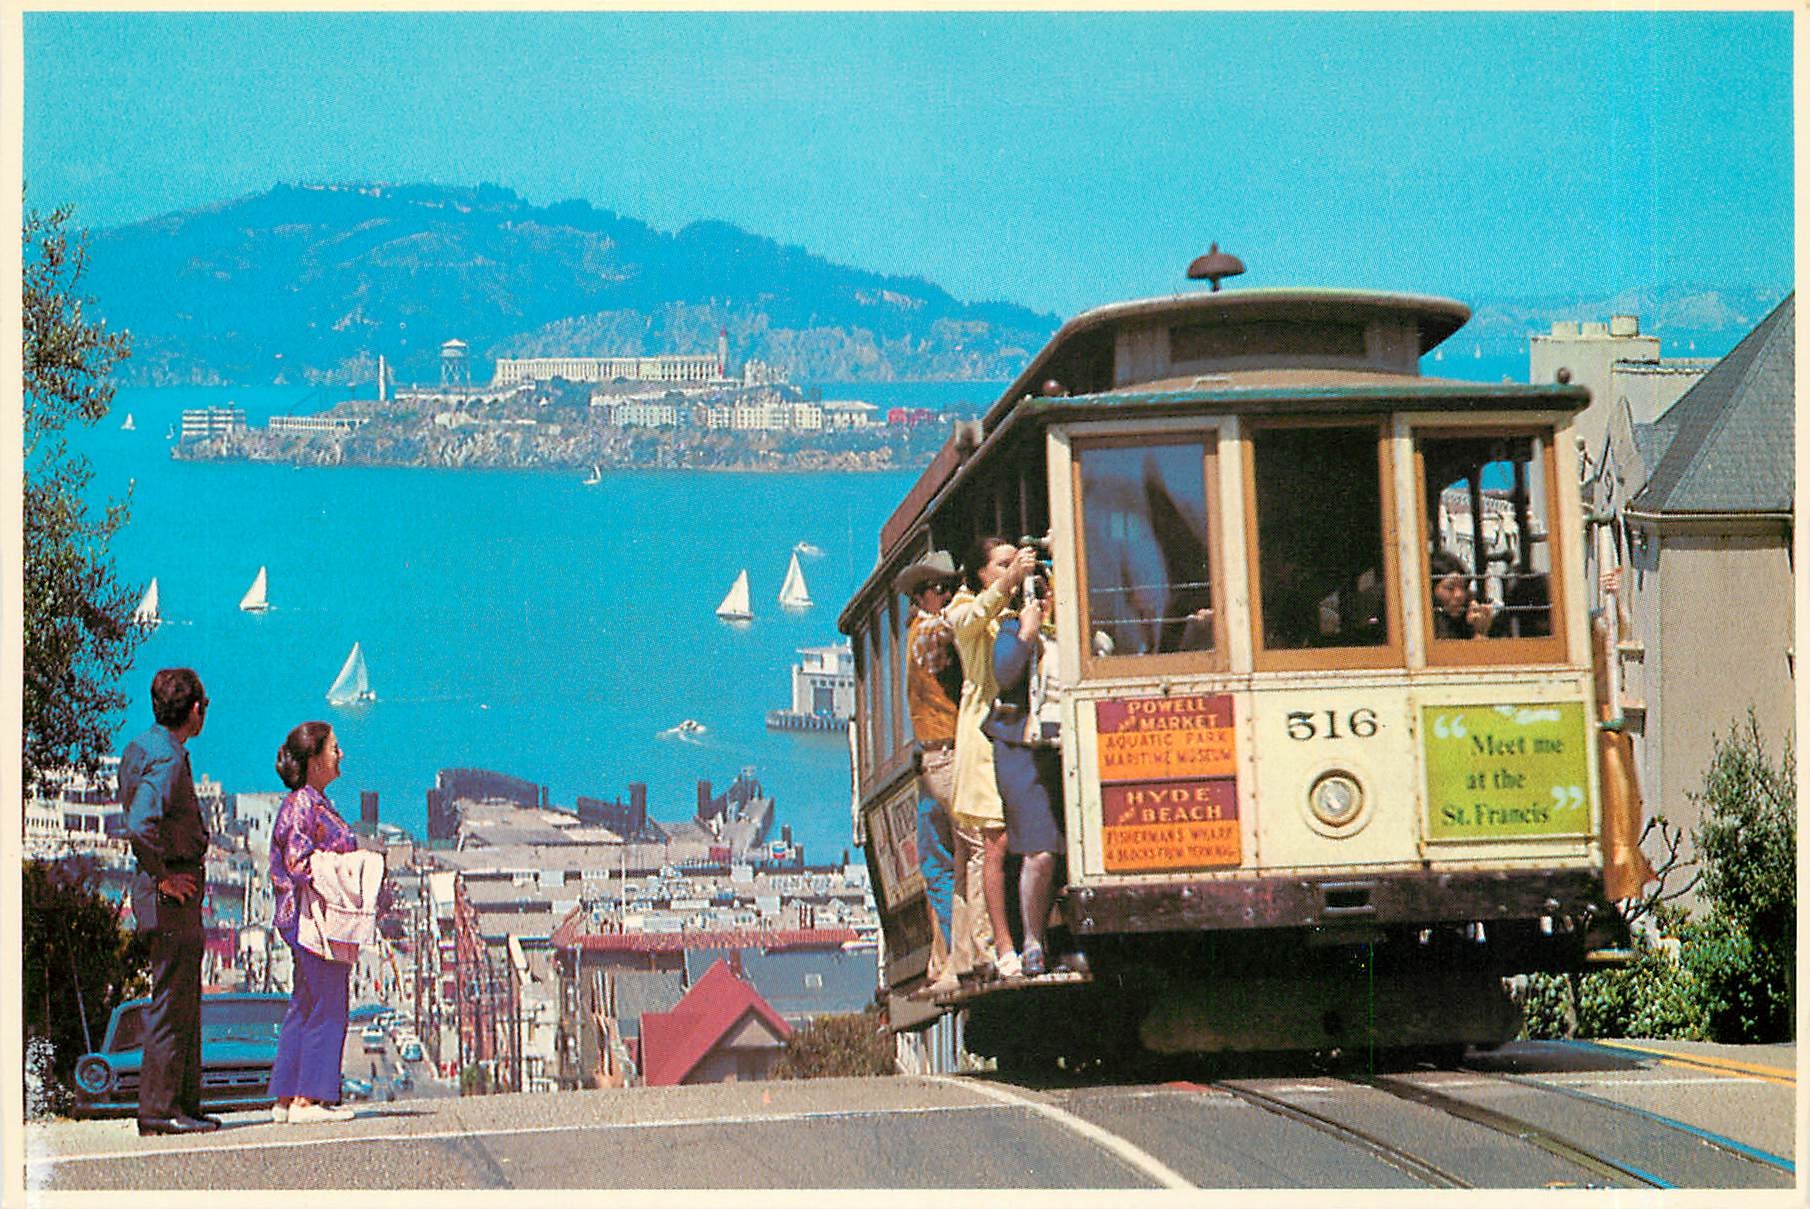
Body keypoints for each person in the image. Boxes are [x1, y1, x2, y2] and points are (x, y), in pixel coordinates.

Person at [119, 668, 219, 1136]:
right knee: (172, 1004)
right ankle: (160, 1110)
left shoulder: (143, 747)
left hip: (162, 893)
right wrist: (163, 876)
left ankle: (183, 1105)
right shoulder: (167, 759)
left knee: (180, 1001)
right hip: (170, 895)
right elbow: (142, 823)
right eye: (205, 705)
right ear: (195, 709)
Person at [895, 549, 989, 996]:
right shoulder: (928, 632)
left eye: (952, 586)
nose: (948, 594)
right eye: (940, 588)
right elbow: (944, 635)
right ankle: (969, 953)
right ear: (920, 596)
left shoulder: (920, 629)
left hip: (936, 756)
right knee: (968, 853)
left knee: (949, 859)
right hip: (948, 755)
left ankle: (956, 958)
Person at [948, 535, 1038, 979]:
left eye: (1012, 563)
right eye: (1001, 565)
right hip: (984, 741)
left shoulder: (1020, 606)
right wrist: (1011, 583)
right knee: (995, 842)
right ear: (981, 573)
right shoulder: (964, 608)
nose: (1010, 571)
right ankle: (1002, 946)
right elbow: (971, 619)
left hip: (1021, 734)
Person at [268, 722, 362, 1124]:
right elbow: (299, 862)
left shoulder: (311, 802)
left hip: (301, 917)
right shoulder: (305, 805)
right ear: (314, 760)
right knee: (328, 1001)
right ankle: (310, 1099)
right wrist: (347, 869)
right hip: (313, 917)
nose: (341, 755)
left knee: (305, 1002)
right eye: (334, 749)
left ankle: (287, 1096)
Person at [986, 574, 1068, 977]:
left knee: (1065, 850)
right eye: (1040, 589)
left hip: (1067, 745)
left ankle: (1063, 937)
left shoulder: (1074, 629)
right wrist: (1026, 633)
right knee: (1039, 848)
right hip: (1024, 750)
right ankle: (1032, 941)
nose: (1047, 596)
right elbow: (1005, 673)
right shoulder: (1011, 628)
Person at [1429, 549, 1496, 639]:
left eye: (1463, 587)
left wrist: (1479, 629)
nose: (1459, 595)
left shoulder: (1468, 619)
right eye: (1450, 588)